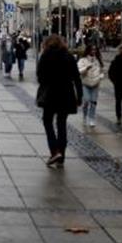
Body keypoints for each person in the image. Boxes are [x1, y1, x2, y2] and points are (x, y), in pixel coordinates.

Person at [36, 35, 83, 168]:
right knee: (61, 124)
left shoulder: (45, 56)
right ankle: (61, 156)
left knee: (47, 121)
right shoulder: (68, 56)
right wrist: (79, 96)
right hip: (66, 95)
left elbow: (40, 76)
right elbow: (77, 78)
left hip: (50, 94)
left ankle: (54, 151)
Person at [77, 45, 105, 128]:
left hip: (95, 83)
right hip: (86, 83)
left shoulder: (98, 60)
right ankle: (85, 116)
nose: (93, 51)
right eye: (92, 50)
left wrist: (100, 77)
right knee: (86, 100)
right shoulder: (83, 60)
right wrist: (86, 68)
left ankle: (91, 119)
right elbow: (79, 71)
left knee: (93, 102)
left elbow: (102, 70)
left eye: (95, 50)